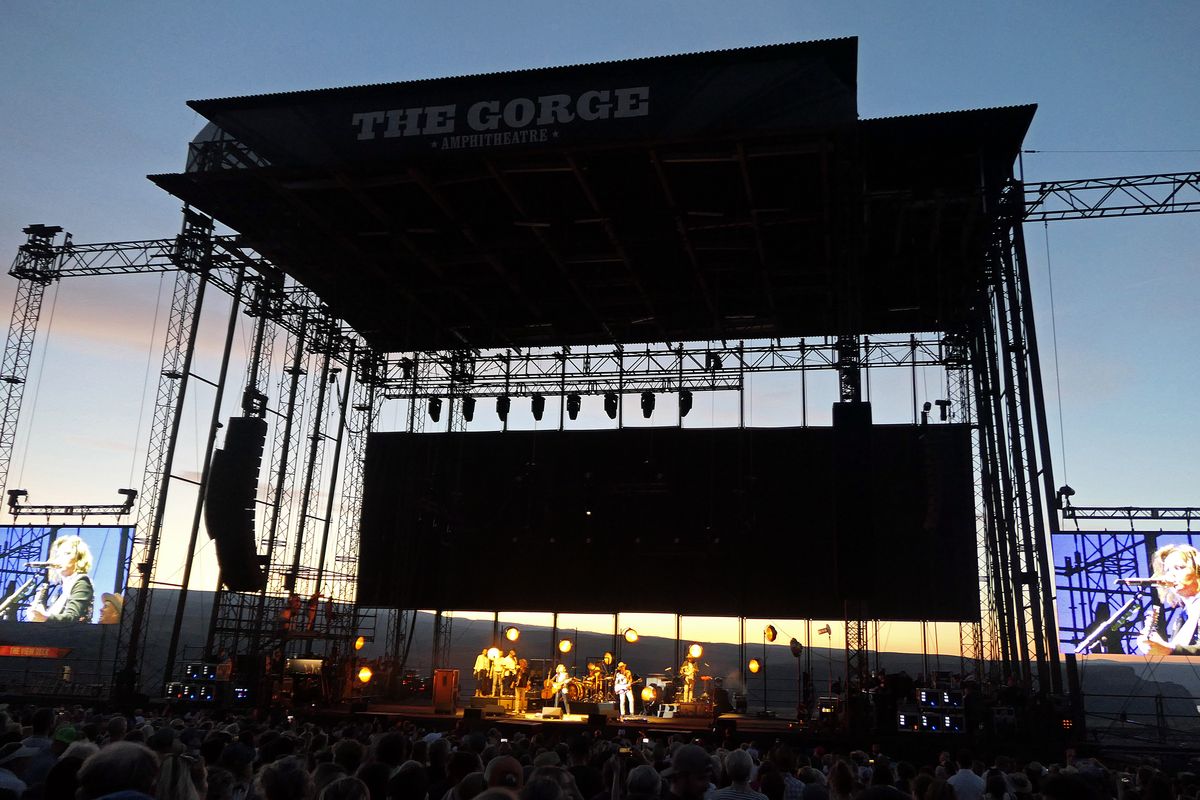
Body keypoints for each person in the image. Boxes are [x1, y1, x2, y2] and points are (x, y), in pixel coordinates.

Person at [1138, 543, 1200, 655]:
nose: (1171, 575)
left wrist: (1169, 650)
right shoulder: (1184, 616)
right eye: (1167, 570)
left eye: (1179, 568)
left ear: (1198, 571)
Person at [27, 535, 95, 623]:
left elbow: (72, 617)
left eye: (67, 553)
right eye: (58, 555)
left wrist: (44, 617)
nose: (61, 558)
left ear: (79, 558)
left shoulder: (82, 582)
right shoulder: (62, 589)